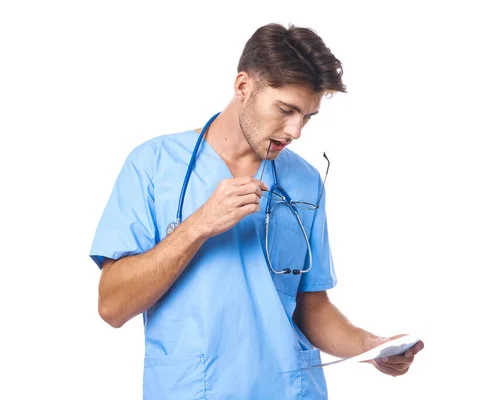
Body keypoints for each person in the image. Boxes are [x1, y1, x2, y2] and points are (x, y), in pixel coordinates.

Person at [89, 22, 424, 400]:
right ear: (243, 87)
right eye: (286, 109)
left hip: (288, 390)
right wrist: (199, 225)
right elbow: (112, 306)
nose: (296, 130)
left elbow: (310, 306)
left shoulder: (304, 181)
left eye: (308, 116)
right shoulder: (152, 165)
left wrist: (370, 345)